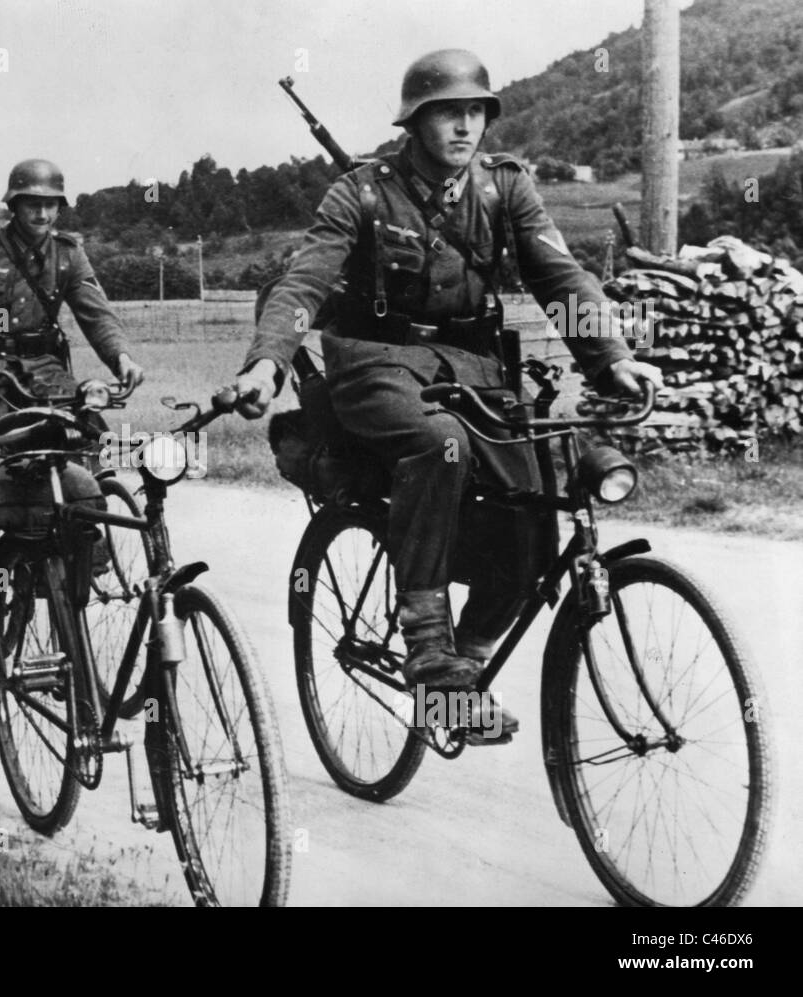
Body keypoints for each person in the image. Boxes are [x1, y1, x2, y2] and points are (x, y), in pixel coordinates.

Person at [233, 50, 662, 737]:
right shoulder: (361, 191)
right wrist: (267, 363)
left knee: (534, 509)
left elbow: (561, 278)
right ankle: (429, 658)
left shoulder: (504, 188)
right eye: (448, 113)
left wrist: (612, 357)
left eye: (475, 112)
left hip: (475, 367)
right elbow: (304, 282)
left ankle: (467, 668)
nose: (465, 126)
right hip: (375, 363)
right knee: (442, 444)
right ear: (414, 121)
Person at [0, 158, 144, 607]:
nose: (42, 214)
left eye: (51, 205)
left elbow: (97, 315)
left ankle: (84, 542)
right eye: (32, 204)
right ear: (14, 205)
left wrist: (122, 359)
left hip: (41, 368)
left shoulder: (69, 254)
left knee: (84, 438)